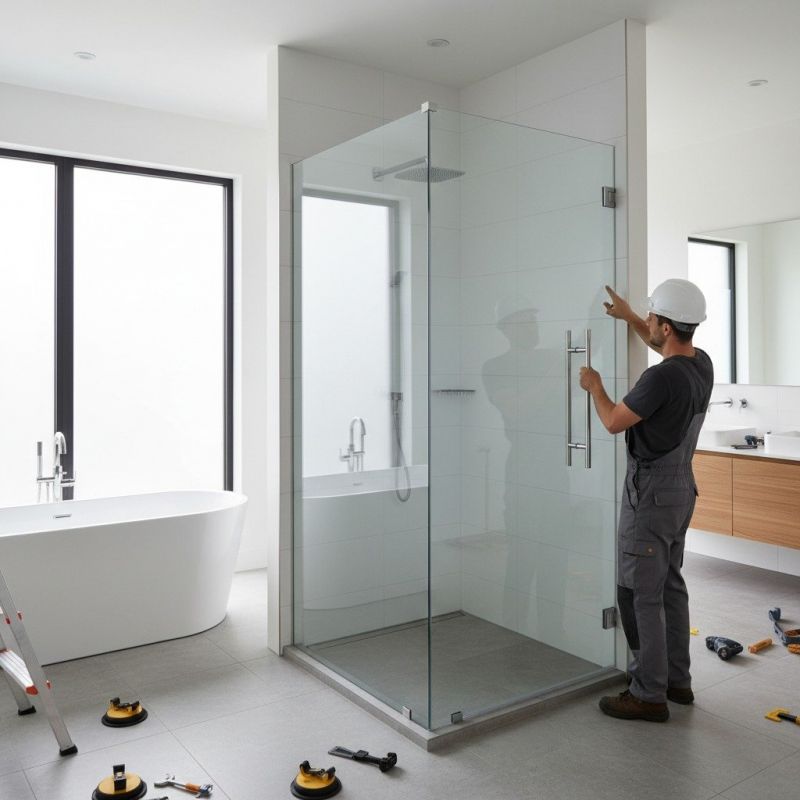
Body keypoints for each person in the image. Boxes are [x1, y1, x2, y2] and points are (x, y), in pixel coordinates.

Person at [578, 279, 713, 722]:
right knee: (670, 584)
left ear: (668, 326)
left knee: (639, 593)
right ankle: (677, 680)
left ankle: (647, 693)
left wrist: (594, 386)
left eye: (654, 318)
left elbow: (615, 421)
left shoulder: (660, 378)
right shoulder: (700, 365)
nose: (649, 323)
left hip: (651, 493)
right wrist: (632, 317)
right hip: (681, 489)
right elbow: (663, 348)